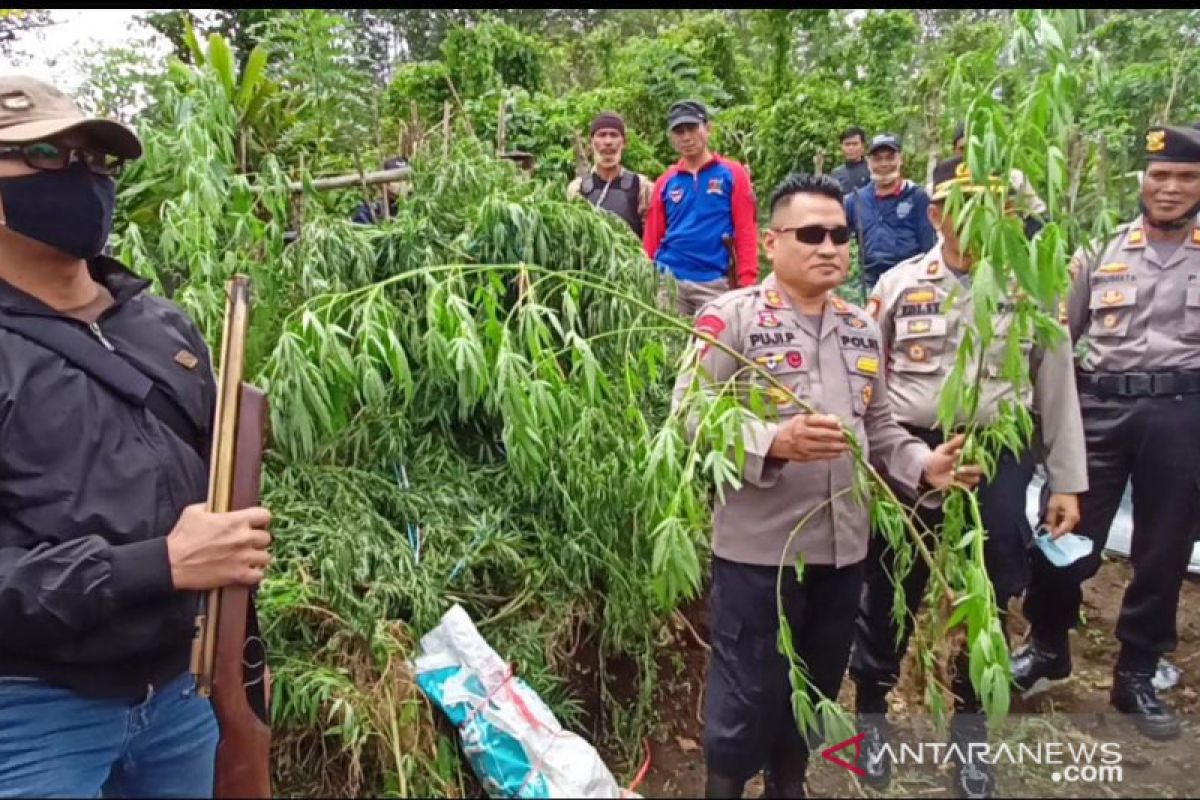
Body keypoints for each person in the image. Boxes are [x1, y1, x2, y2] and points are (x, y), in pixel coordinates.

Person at [0, 75, 274, 797]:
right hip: (31, 711)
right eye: (50, 157)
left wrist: (245, 649)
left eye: (98, 160)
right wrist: (157, 565)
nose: (84, 178)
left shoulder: (162, 327)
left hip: (180, 695)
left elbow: (220, 513)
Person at [672, 172, 982, 798]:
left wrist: (923, 465)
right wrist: (772, 442)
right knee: (747, 690)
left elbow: (881, 426)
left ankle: (792, 782)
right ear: (776, 240)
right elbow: (687, 417)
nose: (829, 247)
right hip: (760, 551)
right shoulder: (728, 319)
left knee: (813, 685)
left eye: (840, 235)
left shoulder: (860, 326)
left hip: (843, 550)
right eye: (811, 234)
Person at [849, 155, 1088, 798]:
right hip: (911, 455)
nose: (973, 218)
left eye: (989, 203)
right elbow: (865, 382)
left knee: (988, 595)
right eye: (959, 205)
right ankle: (872, 724)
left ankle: (970, 740)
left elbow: (1055, 384)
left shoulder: (1031, 289)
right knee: (892, 587)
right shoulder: (899, 284)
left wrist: (1066, 480)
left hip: (998, 456)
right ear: (935, 214)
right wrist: (873, 462)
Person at [1010, 124, 1200, 742]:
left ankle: (1137, 673)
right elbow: (1061, 335)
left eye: (1186, 177)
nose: (1170, 188)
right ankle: (1047, 647)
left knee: (1163, 550)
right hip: (1102, 410)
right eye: (1160, 176)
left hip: (1184, 414)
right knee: (1062, 529)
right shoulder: (1102, 250)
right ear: (1142, 181)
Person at [644, 100, 759, 316]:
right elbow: (652, 236)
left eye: (692, 128)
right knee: (668, 345)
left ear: (708, 129)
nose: (686, 137)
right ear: (671, 138)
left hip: (714, 282)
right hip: (668, 281)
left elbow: (746, 230)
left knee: (714, 346)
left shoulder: (733, 174)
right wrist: (645, 276)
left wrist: (747, 283)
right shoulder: (665, 181)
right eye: (679, 131)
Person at [845, 133, 937, 293]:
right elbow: (838, 240)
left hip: (909, 281)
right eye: (878, 159)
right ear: (868, 162)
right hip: (869, 284)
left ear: (900, 159)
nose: (884, 163)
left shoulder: (917, 197)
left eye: (890, 157)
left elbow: (929, 246)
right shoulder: (855, 200)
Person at [566, 111, 653, 237]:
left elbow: (652, 235)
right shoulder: (577, 188)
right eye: (602, 135)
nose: (608, 141)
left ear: (624, 143)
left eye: (614, 135)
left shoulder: (641, 186)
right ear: (591, 143)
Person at [952, 121, 1047, 236]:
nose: (969, 154)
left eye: (976, 147)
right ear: (954, 151)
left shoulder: (1013, 179)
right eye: (963, 149)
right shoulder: (947, 188)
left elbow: (1039, 219)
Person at [350, 155, 409, 224]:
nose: (403, 184)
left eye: (406, 180)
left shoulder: (417, 206)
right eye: (397, 180)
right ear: (382, 184)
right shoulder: (369, 212)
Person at [831, 125, 871, 195]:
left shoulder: (871, 169)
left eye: (855, 144)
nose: (851, 148)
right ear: (841, 147)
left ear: (862, 146)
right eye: (847, 144)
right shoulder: (836, 173)